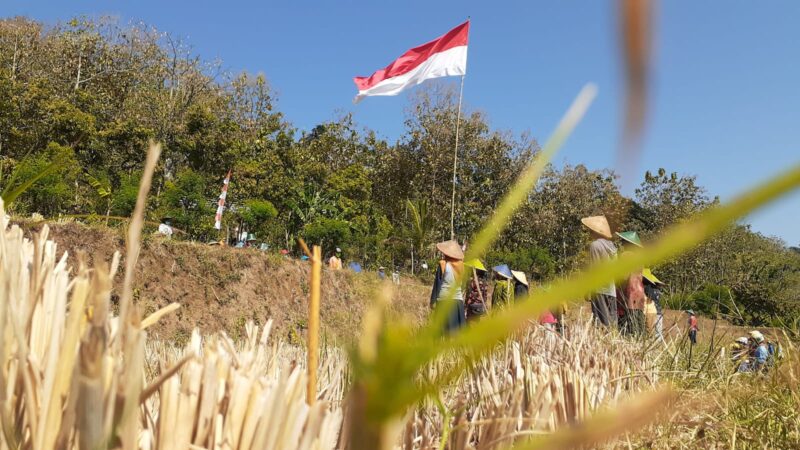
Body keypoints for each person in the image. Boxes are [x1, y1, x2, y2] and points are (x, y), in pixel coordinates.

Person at [581, 215, 618, 328]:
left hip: (599, 288)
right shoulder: (612, 246)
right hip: (611, 288)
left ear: (595, 231)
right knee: (611, 321)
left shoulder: (595, 245)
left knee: (601, 322)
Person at [429, 240, 466, 333]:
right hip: (458, 300)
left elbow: (437, 283)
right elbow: (463, 284)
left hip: (444, 299)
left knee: (444, 329)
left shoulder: (443, 264)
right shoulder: (462, 266)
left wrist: (432, 301)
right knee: (457, 330)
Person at [642, 268, 665, 338]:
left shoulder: (648, 289)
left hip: (650, 312)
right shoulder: (657, 291)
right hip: (657, 312)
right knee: (658, 334)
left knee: (650, 333)